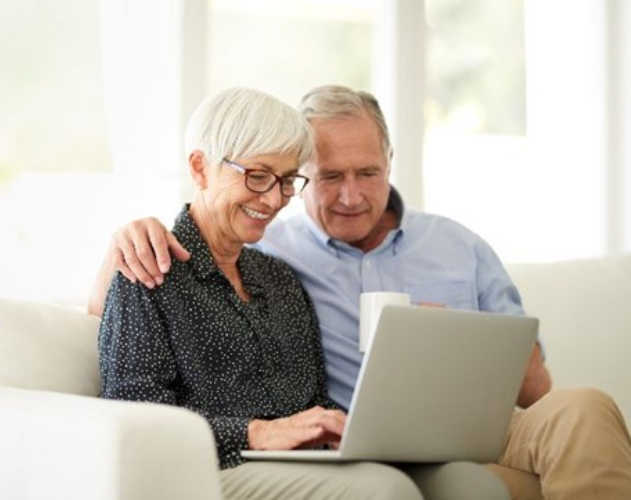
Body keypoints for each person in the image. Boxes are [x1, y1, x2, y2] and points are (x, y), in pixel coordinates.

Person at [90, 85, 631, 500]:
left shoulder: (277, 276)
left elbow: (535, 387)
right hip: (293, 451)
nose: (274, 198)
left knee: (585, 405)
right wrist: (123, 242)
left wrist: (456, 347)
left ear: (390, 163)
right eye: (325, 177)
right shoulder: (230, 252)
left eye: (284, 181)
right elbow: (126, 375)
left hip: (440, 430)